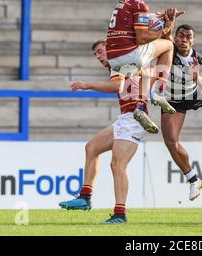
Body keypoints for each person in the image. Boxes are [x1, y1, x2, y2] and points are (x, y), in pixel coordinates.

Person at [59, 40, 155, 224]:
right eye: (96, 54)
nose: (98, 56)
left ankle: (120, 214)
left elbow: (116, 87)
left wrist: (87, 85)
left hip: (135, 119)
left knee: (117, 165)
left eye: (100, 51)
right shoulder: (122, 63)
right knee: (91, 148)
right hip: (126, 117)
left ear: (110, 49)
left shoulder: (119, 62)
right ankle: (85, 197)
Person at [160, 24, 202, 200]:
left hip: (192, 94)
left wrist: (197, 77)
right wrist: (170, 22)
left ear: (193, 40)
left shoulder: (197, 58)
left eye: (188, 37)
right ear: (176, 37)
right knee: (170, 142)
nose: (184, 39)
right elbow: (165, 35)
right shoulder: (169, 50)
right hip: (174, 99)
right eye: (181, 35)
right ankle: (193, 179)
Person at [106, 0, 181, 114]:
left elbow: (134, 29)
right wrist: (166, 28)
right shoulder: (139, 4)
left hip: (114, 60)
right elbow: (142, 38)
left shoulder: (123, 2)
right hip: (130, 54)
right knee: (169, 46)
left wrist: (159, 19)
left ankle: (140, 105)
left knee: (149, 70)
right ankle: (159, 91)